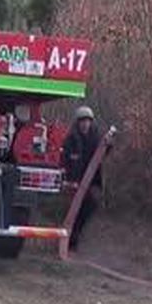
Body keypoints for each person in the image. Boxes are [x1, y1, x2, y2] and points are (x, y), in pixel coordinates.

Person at [61, 106, 105, 250]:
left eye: (88, 121)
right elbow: (65, 160)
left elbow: (102, 154)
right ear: (78, 122)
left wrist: (108, 145)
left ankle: (74, 236)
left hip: (91, 180)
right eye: (82, 121)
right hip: (74, 181)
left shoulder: (96, 137)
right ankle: (68, 240)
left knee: (90, 204)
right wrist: (69, 180)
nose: (85, 124)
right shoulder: (71, 139)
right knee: (73, 210)